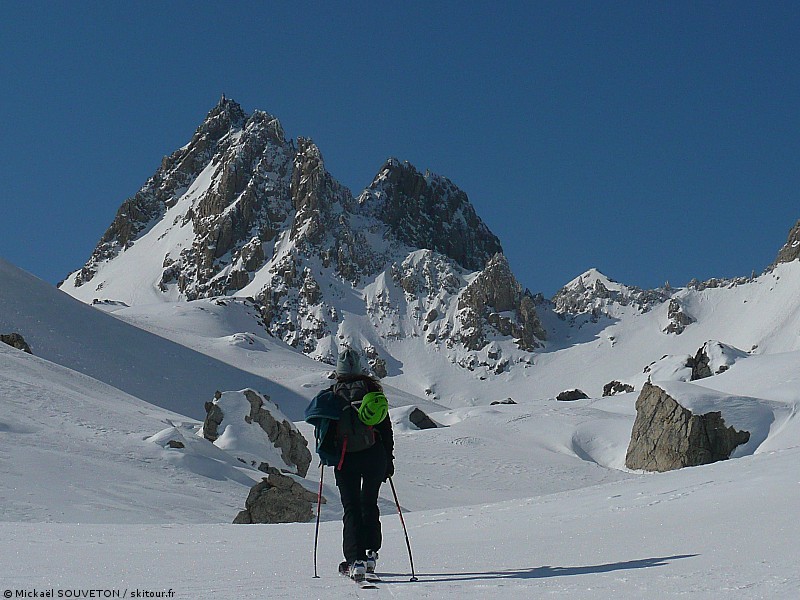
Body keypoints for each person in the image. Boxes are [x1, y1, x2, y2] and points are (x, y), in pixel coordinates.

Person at [331, 348, 394, 582]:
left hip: (345, 458)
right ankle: (370, 554)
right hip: (374, 456)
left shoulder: (332, 394)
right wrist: (388, 460)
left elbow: (325, 429)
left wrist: (329, 455)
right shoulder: (372, 391)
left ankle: (354, 560)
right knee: (369, 502)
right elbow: (385, 428)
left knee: (351, 507)